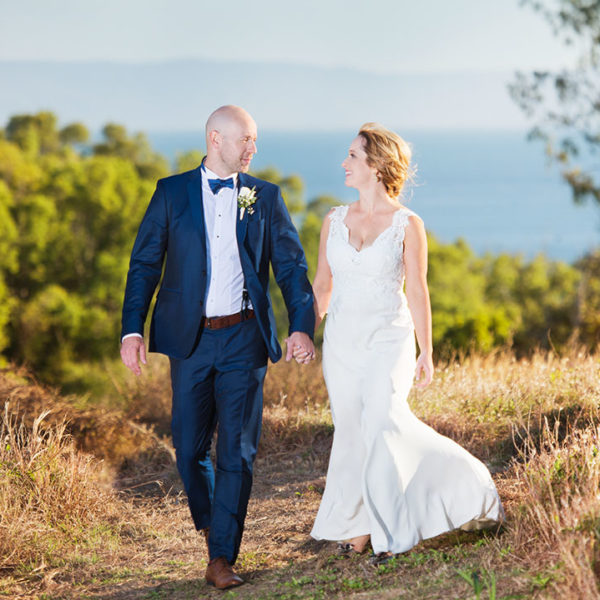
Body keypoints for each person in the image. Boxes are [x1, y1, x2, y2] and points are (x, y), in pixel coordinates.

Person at [120, 105, 315, 589]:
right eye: (246, 140)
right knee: (187, 448)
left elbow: (291, 267)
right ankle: (214, 525)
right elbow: (144, 264)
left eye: (254, 141)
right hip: (190, 340)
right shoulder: (171, 193)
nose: (253, 149)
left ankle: (222, 556)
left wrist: (302, 326)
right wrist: (132, 328)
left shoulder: (264, 197)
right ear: (215, 139)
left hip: (245, 337)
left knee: (238, 450)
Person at [308, 123, 503, 561]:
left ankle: (441, 504)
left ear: (376, 166)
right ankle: (357, 528)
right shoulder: (333, 220)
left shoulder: (407, 225)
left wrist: (426, 350)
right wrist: (304, 330)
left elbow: (417, 290)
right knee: (353, 429)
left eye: (353, 156)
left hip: (388, 338)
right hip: (341, 342)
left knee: (384, 421)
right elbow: (323, 285)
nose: (344, 163)